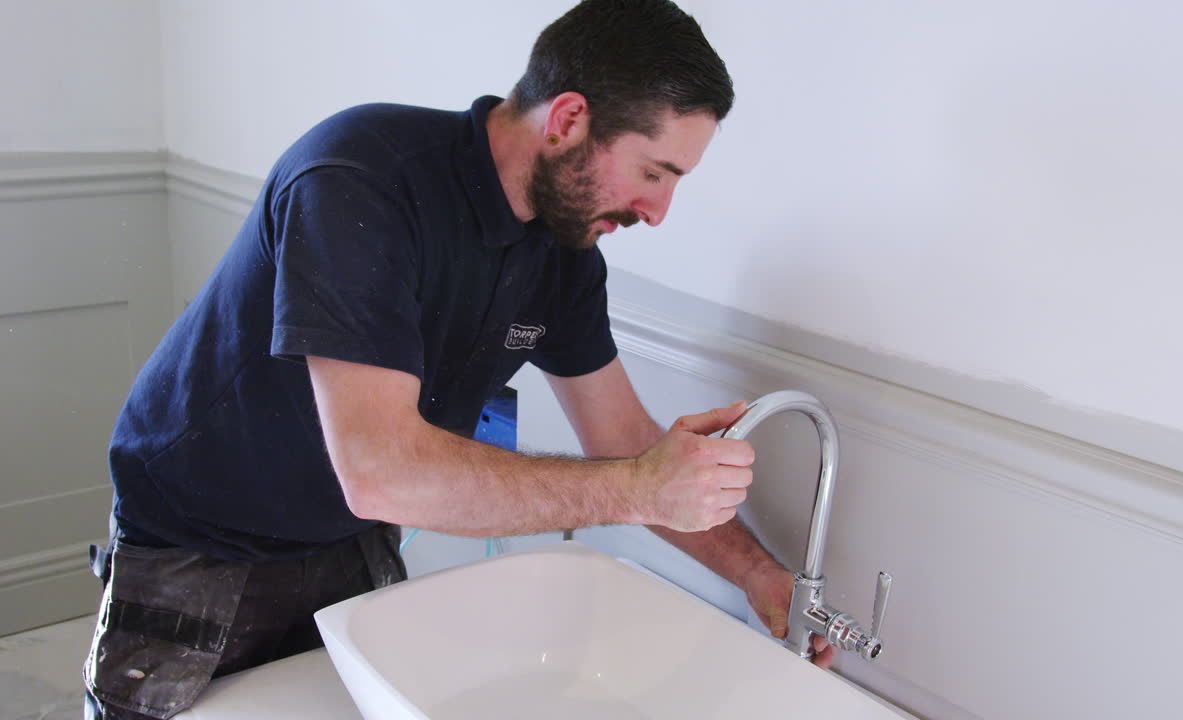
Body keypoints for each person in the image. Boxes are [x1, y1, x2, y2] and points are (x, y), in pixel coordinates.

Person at [84, 1, 832, 717]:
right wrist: (637, 491)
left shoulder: (565, 255)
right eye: (654, 172)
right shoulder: (360, 180)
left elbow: (629, 443)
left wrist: (760, 576)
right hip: (200, 542)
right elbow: (382, 470)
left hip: (346, 538)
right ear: (569, 121)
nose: (659, 210)